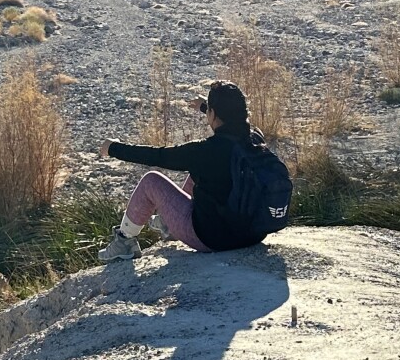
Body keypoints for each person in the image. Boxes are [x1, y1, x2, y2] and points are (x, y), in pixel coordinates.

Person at [97, 80, 273, 261]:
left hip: (213, 239)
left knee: (151, 181)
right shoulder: (255, 138)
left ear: (213, 114)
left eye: (209, 112)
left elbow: (156, 156)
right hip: (253, 234)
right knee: (199, 174)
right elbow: (230, 122)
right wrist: (206, 107)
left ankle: (123, 242)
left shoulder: (205, 151)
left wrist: (113, 148)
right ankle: (167, 222)